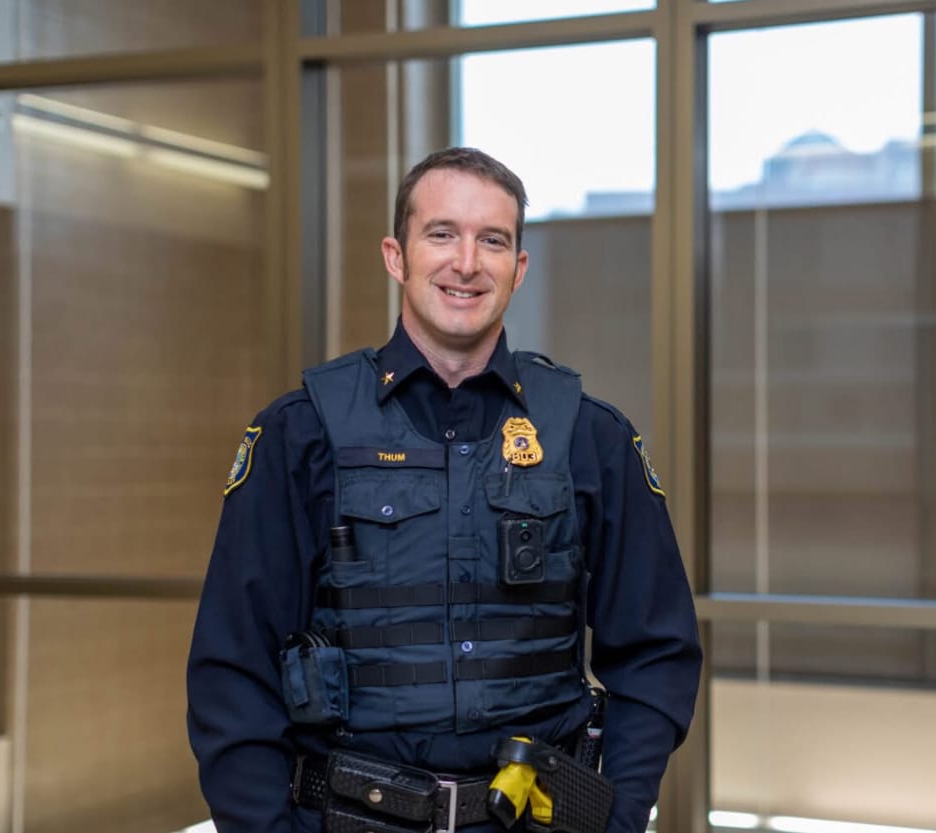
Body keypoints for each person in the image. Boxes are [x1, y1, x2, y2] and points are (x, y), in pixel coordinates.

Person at [186, 147, 703, 833]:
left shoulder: (588, 436)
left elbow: (656, 652)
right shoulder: (301, 433)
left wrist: (618, 816)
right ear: (396, 256)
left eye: (493, 240)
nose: (466, 262)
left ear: (518, 269)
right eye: (442, 233)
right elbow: (233, 672)